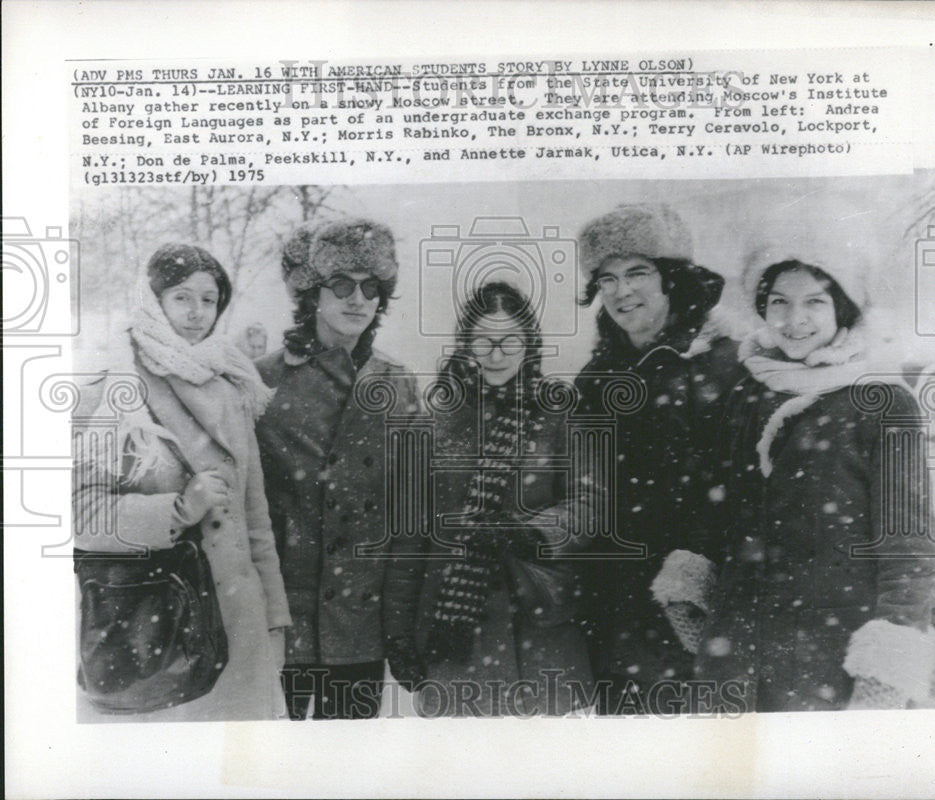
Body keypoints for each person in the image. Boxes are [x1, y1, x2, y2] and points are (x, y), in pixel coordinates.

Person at [692, 245, 935, 712]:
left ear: (842, 308)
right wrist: (698, 604)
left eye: (814, 302)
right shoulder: (747, 393)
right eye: (779, 301)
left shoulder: (881, 403)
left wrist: (887, 664)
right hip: (736, 650)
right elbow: (718, 513)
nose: (794, 319)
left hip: (832, 656)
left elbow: (908, 546)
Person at [73, 243, 291, 721]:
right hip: (155, 625)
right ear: (153, 301)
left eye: (208, 299)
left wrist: (274, 619)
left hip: (237, 622)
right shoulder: (116, 386)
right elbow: (80, 514)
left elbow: (256, 517)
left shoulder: (233, 382)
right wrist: (176, 511)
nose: (197, 313)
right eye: (181, 297)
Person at [381, 282, 594, 716]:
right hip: (454, 639)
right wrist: (398, 632)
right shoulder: (433, 423)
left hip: (537, 634)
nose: (496, 354)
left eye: (509, 341)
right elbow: (408, 540)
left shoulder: (557, 413)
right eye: (484, 340)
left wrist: (529, 532)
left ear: (529, 343)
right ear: (466, 344)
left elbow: (589, 504)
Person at [570, 203, 743, 714]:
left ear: (672, 279)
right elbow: (585, 494)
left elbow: (747, 497)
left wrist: (701, 590)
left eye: (638, 273)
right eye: (607, 279)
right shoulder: (594, 380)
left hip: (698, 611)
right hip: (612, 610)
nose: (622, 292)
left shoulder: (727, 366)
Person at [255, 218, 419, 719]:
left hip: (359, 623)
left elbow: (412, 514)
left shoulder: (397, 383)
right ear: (312, 293)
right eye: (342, 285)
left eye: (372, 288)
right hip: (283, 615)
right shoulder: (265, 380)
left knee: (348, 769)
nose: (358, 299)